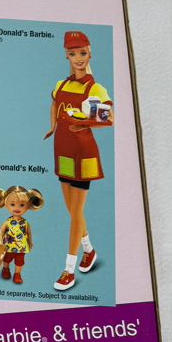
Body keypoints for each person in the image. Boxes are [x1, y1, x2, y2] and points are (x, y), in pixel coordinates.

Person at [44, 31, 114, 291]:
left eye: (82, 53)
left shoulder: (95, 88)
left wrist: (84, 123)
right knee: (72, 211)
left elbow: (109, 118)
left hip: (84, 154)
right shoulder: (61, 85)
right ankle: (89, 249)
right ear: (66, 56)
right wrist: (53, 127)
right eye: (72, 53)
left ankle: (69, 270)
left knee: (75, 213)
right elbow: (54, 104)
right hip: (62, 151)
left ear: (89, 53)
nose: (78, 58)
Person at [0, 185, 44, 284]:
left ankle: (17, 274)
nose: (17, 208)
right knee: (6, 259)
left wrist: (30, 242)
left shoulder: (25, 223)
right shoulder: (7, 222)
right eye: (13, 204)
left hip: (22, 247)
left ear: (28, 206)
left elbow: (28, 233)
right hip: (8, 246)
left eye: (22, 205)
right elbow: (1, 231)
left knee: (20, 262)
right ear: (6, 204)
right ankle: (6, 269)